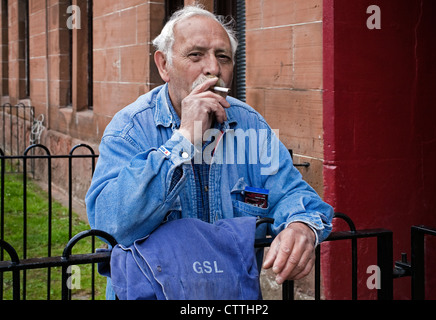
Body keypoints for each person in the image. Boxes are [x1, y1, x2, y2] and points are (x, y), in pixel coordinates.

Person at [85, 5, 333, 300]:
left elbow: (292, 192)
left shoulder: (249, 125)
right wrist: (184, 139)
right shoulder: (131, 128)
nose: (213, 68)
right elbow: (109, 223)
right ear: (164, 65)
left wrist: (301, 225)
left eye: (223, 57)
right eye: (196, 55)